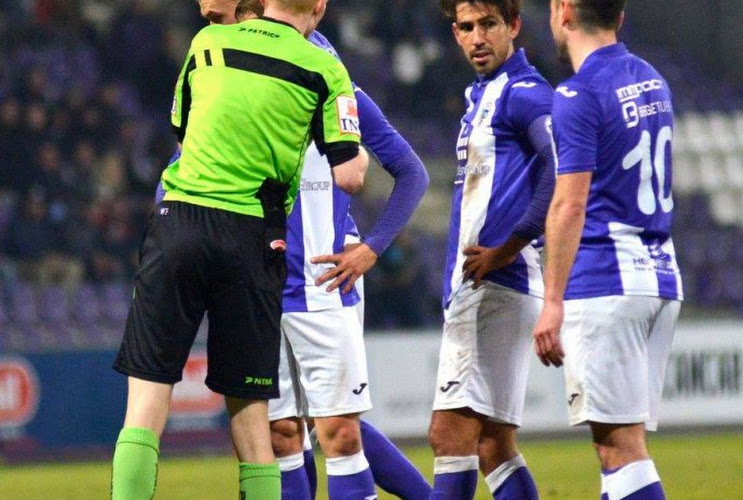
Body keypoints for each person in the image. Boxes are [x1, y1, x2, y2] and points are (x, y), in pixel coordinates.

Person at [110, 1, 368, 499]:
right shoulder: (325, 67)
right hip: (252, 236)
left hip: (179, 221)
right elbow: (350, 176)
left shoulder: (206, 43)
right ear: (318, 7)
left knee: (143, 408)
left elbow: (184, 130)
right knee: (254, 425)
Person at [231, 2, 433, 499]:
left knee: (338, 431)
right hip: (256, 289)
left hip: (322, 284)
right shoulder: (225, 73)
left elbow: (410, 172)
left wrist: (371, 248)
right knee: (281, 435)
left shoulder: (329, 73)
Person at [533, 1, 682, 499]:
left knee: (619, 449)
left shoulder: (578, 93)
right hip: (659, 275)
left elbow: (569, 205)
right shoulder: (653, 79)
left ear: (564, 11)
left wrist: (552, 301)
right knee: (618, 448)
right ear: (619, 16)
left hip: (606, 281)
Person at [429, 1, 556, 499]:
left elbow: (560, 166)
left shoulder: (524, 93)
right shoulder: (481, 93)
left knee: (449, 436)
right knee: (493, 447)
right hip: (492, 283)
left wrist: (510, 245)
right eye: (466, 27)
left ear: (513, 27)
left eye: (489, 25)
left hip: (496, 284)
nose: (477, 37)